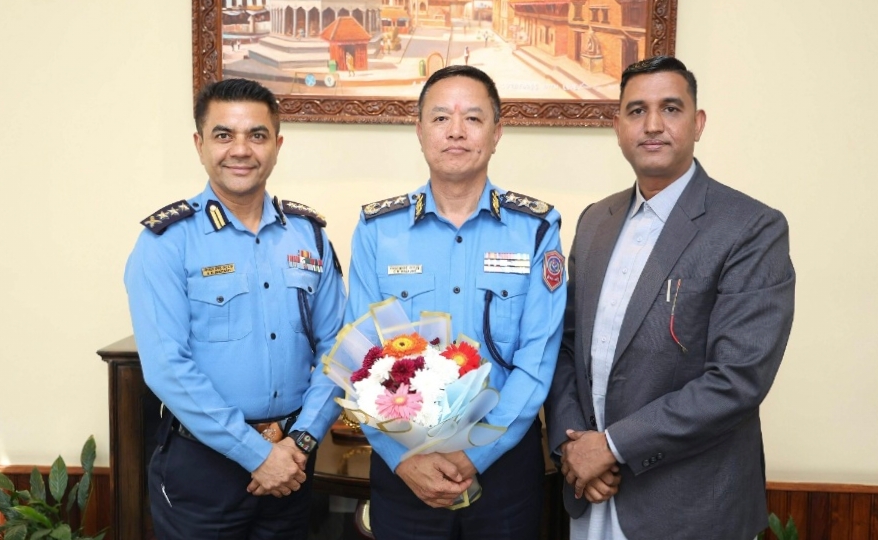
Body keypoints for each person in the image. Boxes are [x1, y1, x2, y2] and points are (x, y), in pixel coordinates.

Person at [546, 56, 796, 540]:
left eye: (671, 108)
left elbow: (737, 379)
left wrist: (610, 447)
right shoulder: (595, 222)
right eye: (637, 110)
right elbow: (564, 346)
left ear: (697, 123)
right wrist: (571, 445)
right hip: (591, 496)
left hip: (691, 509)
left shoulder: (751, 228)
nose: (653, 125)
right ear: (618, 127)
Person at [345, 65, 567, 539]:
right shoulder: (378, 231)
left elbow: (538, 358)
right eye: (441, 117)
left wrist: (476, 452)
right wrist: (402, 457)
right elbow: (359, 356)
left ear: (497, 132)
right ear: (420, 130)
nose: (456, 131)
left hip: (505, 466)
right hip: (405, 465)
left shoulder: (537, 228)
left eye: (473, 118)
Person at [124, 78, 346, 540]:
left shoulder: (309, 236)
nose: (240, 150)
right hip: (202, 471)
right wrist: (258, 455)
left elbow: (339, 348)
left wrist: (301, 441)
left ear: (277, 145)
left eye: (257, 135)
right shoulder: (166, 243)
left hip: (293, 463)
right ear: (199, 144)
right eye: (224, 135)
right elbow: (167, 368)